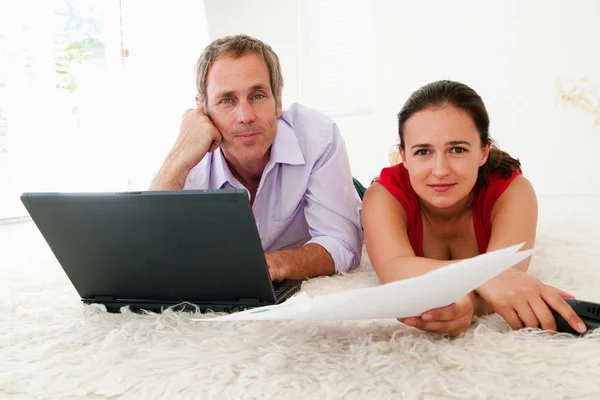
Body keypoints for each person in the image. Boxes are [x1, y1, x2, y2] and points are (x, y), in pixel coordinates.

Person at [362, 80, 586, 336]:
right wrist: (487, 277)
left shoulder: (512, 191)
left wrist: (469, 301)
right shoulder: (382, 196)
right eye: (423, 151)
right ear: (403, 156)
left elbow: (509, 281)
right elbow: (394, 268)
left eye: (457, 149)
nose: (440, 170)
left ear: (483, 152)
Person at [150, 34, 363, 282]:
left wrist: (276, 264)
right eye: (227, 100)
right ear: (202, 110)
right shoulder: (189, 157)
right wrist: (177, 158)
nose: (245, 116)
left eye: (257, 95)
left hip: (346, 190)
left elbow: (343, 243)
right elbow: (148, 251)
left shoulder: (318, 137)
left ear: (277, 101)